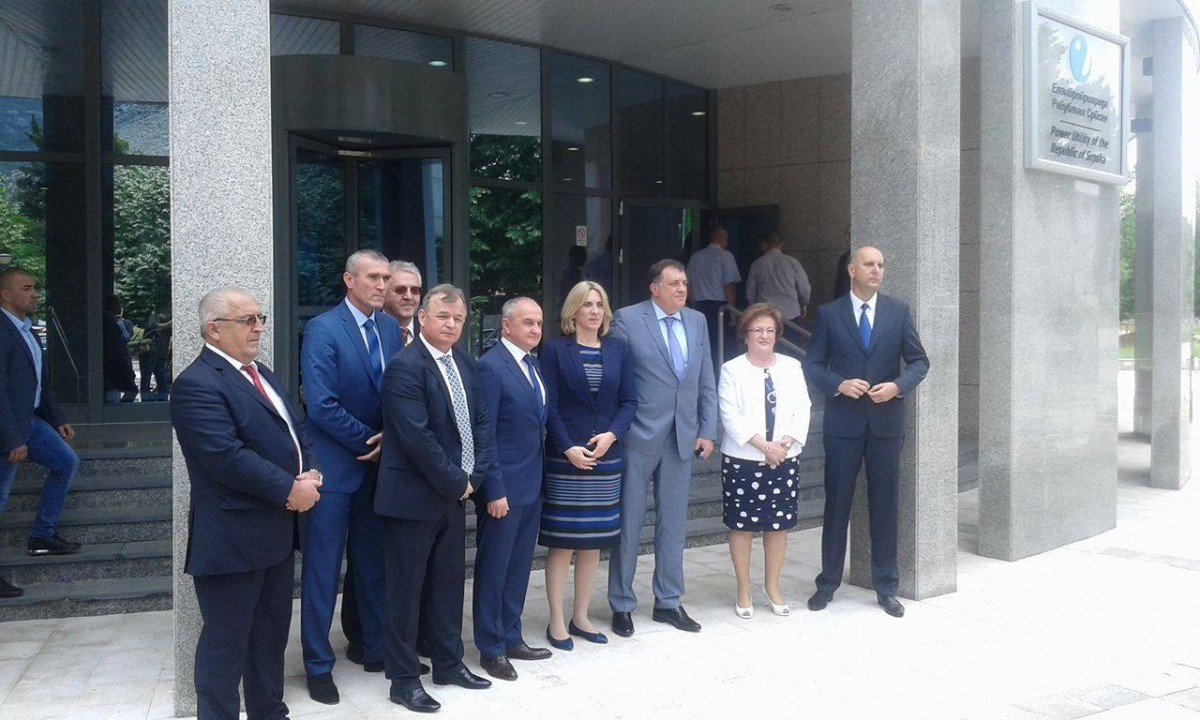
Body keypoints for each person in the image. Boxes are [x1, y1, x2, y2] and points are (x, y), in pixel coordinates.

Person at [170, 287, 323, 720]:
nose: (258, 328)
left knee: (269, 639)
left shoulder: (262, 373)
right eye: (247, 320)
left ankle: (269, 712)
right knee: (226, 646)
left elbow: (297, 430)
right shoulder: (195, 384)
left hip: (276, 533)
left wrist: (311, 472)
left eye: (260, 318)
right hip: (232, 540)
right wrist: (288, 488)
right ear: (213, 330)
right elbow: (225, 457)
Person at [376, 284, 497, 712]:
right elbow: (416, 438)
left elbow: (481, 424)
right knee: (405, 593)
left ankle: (448, 664)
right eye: (443, 316)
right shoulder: (405, 367)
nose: (451, 324)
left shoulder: (465, 362)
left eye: (458, 318)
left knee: (448, 585)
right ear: (422, 318)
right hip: (412, 499)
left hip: (454, 495)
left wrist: (474, 477)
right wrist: (456, 482)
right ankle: (403, 680)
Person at [299, 250, 403, 704]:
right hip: (334, 469)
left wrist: (392, 439)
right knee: (323, 571)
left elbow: (398, 393)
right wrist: (371, 440)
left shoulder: (390, 329)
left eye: (386, 278)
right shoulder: (323, 329)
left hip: (378, 470)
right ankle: (317, 666)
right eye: (373, 277)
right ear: (349, 280)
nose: (382, 285)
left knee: (373, 565)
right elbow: (321, 406)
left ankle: (376, 648)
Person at [804, 246, 929, 618]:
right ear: (851, 270)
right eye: (869, 264)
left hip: (885, 424)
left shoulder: (897, 312)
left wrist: (898, 387)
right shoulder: (830, 314)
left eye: (881, 265)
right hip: (842, 424)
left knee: (885, 505)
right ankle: (827, 583)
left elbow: (919, 361)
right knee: (837, 504)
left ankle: (886, 587)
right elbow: (813, 365)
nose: (876, 270)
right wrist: (839, 384)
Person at [607, 259, 717, 637]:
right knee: (630, 522)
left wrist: (707, 429)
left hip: (682, 436)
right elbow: (615, 378)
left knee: (673, 524)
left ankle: (668, 601)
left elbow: (705, 378)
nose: (682, 289)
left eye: (684, 283)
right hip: (638, 436)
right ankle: (621, 604)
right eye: (674, 284)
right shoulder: (627, 319)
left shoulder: (697, 321)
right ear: (655, 288)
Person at [539, 281, 636, 650]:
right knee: (563, 542)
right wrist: (567, 447)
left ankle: (580, 616)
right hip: (566, 459)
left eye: (599, 305)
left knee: (593, 542)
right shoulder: (554, 350)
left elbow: (629, 401)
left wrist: (612, 435)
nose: (594, 311)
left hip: (605, 457)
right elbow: (549, 405)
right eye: (587, 305)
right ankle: (556, 620)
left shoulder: (619, 350)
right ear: (573, 311)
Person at [341, 258, 424, 665]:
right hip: (364, 460)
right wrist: (378, 438)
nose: (407, 296)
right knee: (368, 557)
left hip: (414, 468)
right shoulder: (374, 333)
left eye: (414, 290)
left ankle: (406, 636)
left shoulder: (426, 336)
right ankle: (363, 636)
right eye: (398, 288)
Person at [472, 297, 553, 681]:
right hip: (503, 490)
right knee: (494, 570)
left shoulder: (532, 364)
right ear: (506, 326)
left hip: (531, 485)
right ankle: (491, 648)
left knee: (518, 567)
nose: (535, 329)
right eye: (527, 323)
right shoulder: (491, 367)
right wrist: (493, 489)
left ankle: (511, 635)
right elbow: (484, 433)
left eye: (539, 323)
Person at [717, 304, 811, 619]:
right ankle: (743, 588)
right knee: (741, 525)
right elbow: (730, 415)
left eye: (770, 330)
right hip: (744, 459)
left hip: (784, 457)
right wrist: (764, 446)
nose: (764, 335)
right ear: (745, 335)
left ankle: (772, 586)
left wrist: (784, 444)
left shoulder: (792, 366)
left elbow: (803, 407)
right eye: (757, 330)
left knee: (778, 525)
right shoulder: (731, 369)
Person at [0, 268, 81, 600]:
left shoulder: (28, 330)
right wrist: (11, 439)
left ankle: (42, 536)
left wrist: (56, 418)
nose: (35, 294)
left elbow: (39, 382)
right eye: (27, 288)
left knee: (65, 462)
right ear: (5, 294)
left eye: (35, 287)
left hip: (29, 422)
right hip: (7, 429)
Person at [745, 231, 812, 354]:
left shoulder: (757, 264)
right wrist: (803, 305)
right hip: (790, 314)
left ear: (765, 244)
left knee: (768, 351)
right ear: (781, 244)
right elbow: (805, 288)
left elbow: (750, 293)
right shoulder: (792, 262)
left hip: (765, 315)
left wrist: (754, 313)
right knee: (793, 351)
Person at [686, 227, 741, 366]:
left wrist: (694, 305)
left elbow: (688, 285)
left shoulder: (695, 257)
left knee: (703, 345)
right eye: (726, 240)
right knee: (723, 347)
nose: (727, 243)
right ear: (720, 238)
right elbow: (729, 284)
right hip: (720, 308)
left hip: (699, 306)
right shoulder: (725, 256)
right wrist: (732, 312)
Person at [103, 295, 138, 403]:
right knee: (130, 389)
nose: (120, 307)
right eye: (118, 304)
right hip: (115, 361)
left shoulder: (110, 320)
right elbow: (118, 342)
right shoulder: (110, 321)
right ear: (112, 305)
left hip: (113, 361)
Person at [384, 260, 423, 346]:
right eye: (400, 290)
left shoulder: (429, 331)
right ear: (384, 292)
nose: (408, 297)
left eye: (415, 290)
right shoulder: (371, 330)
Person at [833, 228, 852, 300]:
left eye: (849, 234)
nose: (846, 238)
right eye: (845, 235)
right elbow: (840, 286)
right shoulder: (844, 258)